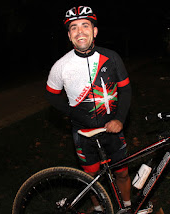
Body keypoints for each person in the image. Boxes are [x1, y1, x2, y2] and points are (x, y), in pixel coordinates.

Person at [45, 6, 132, 214]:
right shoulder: (61, 65)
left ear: (95, 31)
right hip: (83, 134)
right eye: (74, 28)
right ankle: (98, 208)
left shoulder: (111, 57)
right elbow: (50, 94)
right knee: (90, 180)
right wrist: (74, 114)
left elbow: (126, 89)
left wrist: (120, 119)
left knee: (122, 173)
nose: (80, 31)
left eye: (85, 25)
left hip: (113, 130)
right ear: (69, 35)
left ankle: (128, 208)